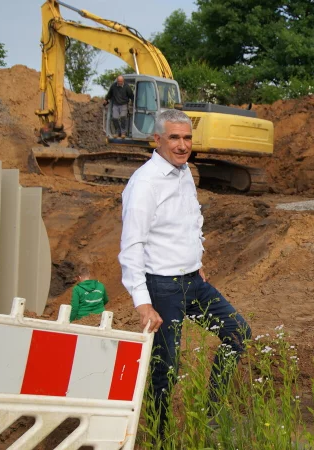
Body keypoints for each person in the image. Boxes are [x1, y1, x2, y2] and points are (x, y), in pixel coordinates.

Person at [118, 108, 250, 437]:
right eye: (174, 137)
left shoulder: (185, 172)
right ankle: (158, 438)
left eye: (187, 137)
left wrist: (197, 260)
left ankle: (212, 414)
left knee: (238, 334)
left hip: (193, 281)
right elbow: (132, 245)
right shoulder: (145, 183)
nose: (182, 145)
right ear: (157, 139)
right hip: (162, 287)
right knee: (166, 368)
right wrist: (142, 303)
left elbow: (190, 222)